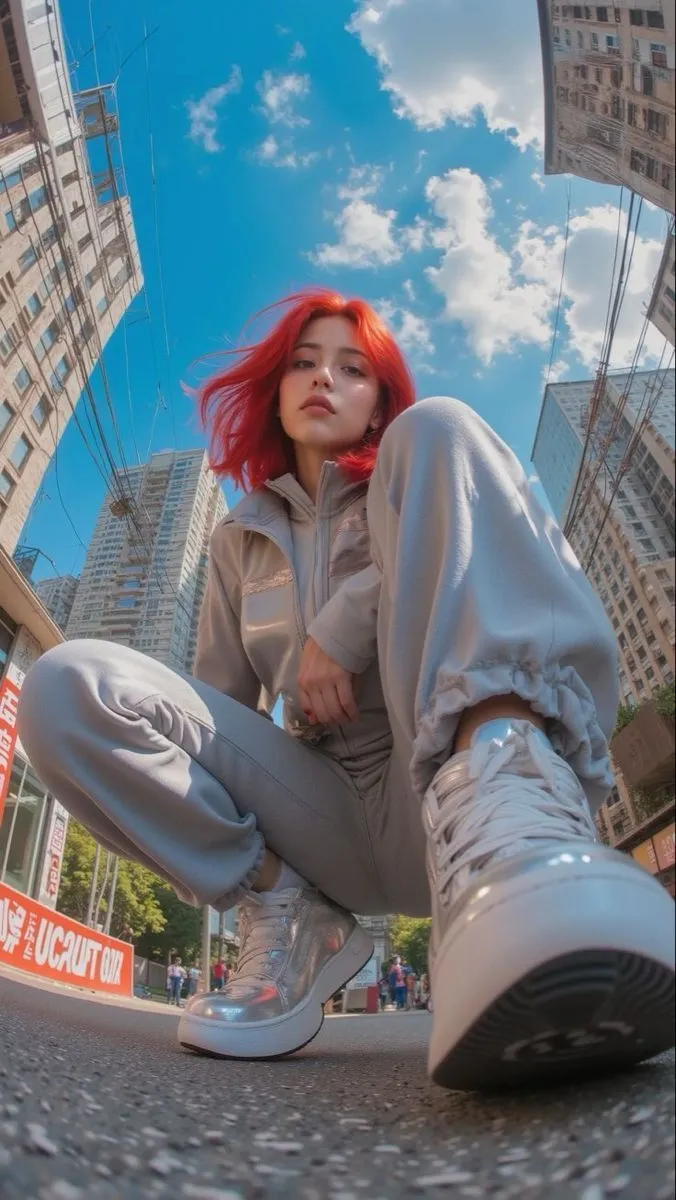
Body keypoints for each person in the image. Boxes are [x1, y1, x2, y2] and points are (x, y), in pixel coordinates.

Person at [17, 289, 674, 1092]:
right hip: (320, 818)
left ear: (376, 400)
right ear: (275, 389)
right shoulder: (237, 541)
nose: (322, 377)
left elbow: (469, 566)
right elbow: (214, 717)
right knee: (65, 686)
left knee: (444, 426)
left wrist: (343, 622)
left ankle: (524, 844)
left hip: (434, 790)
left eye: (350, 367)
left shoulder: (417, 467)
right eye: (302, 362)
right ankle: (288, 919)